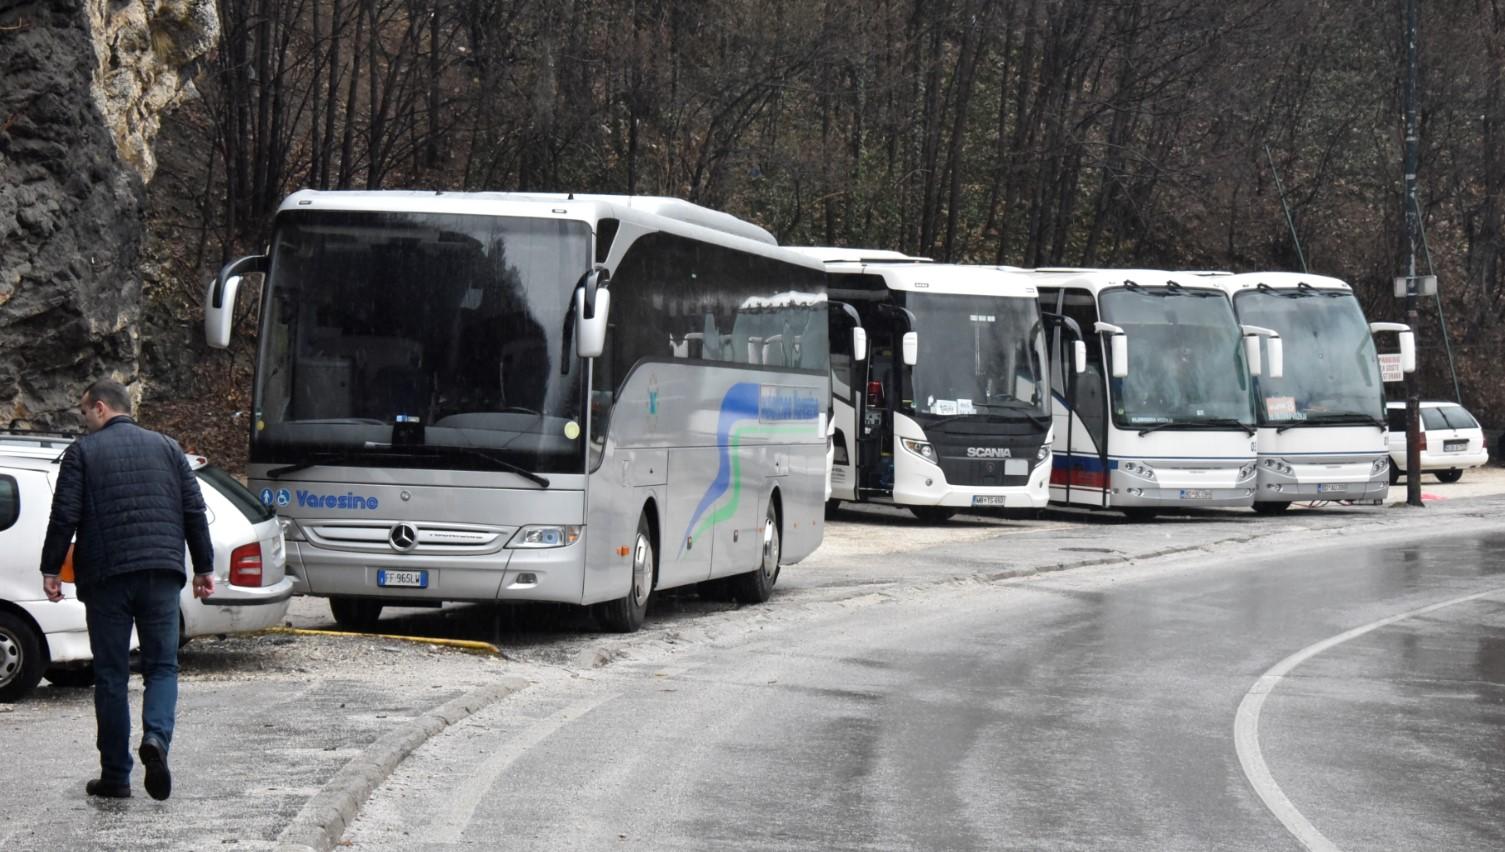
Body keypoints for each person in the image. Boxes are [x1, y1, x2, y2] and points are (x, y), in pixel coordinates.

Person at [38, 379, 215, 801]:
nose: (83, 421)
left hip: (107, 578)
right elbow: (194, 510)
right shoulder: (169, 448)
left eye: (84, 412)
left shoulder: (82, 453)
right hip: (160, 572)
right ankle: (156, 740)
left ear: (100, 408)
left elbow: (64, 515)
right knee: (162, 668)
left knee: (112, 676)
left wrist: (51, 568)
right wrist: (204, 566)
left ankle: (116, 776)